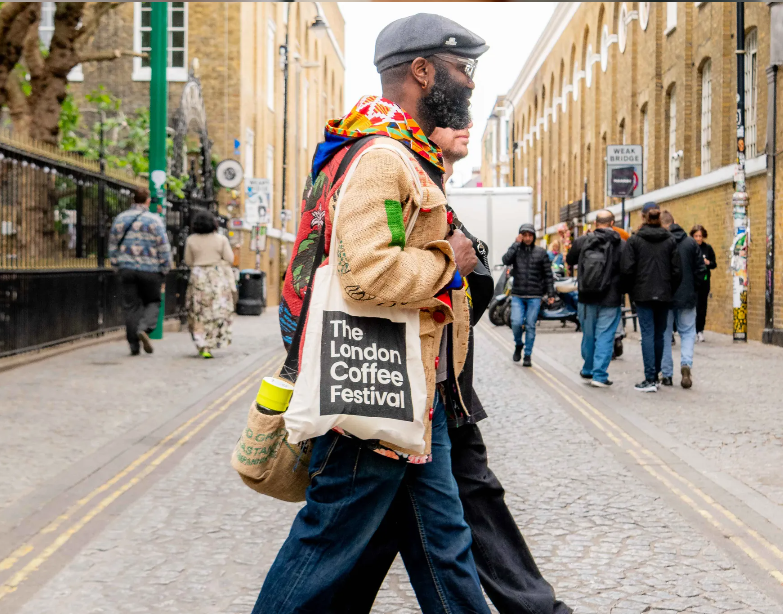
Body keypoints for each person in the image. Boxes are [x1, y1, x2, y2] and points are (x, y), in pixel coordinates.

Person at [256, 14, 492, 613]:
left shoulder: (396, 152)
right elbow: (367, 273)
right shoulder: (384, 158)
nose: (468, 85)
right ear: (422, 69)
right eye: (461, 69)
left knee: (446, 551)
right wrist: (450, 264)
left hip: (413, 394)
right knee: (323, 547)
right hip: (373, 386)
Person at [331, 126, 573, 614]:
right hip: (399, 388)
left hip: (440, 391)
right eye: (451, 114)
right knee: (351, 537)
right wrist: (452, 267)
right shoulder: (390, 171)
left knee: (430, 521)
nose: (464, 122)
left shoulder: (431, 189)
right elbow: (373, 275)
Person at [620, 202, 682, 392]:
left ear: (644, 218)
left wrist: (632, 291)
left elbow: (627, 270)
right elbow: (677, 271)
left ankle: (650, 378)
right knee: (660, 334)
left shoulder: (635, 240)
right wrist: (670, 289)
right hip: (664, 294)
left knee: (647, 333)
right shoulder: (670, 240)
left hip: (643, 295)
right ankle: (655, 376)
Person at [108, 186, 171, 356]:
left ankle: (133, 346)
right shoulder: (154, 220)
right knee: (153, 301)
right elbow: (163, 247)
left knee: (131, 307)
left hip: (127, 269)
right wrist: (165, 268)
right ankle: (144, 328)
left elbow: (112, 245)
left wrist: (116, 266)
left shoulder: (120, 219)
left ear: (133, 199)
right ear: (147, 200)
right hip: (150, 270)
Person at [566, 210, 624, 388]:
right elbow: (627, 269)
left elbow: (570, 259)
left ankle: (588, 369)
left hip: (586, 296)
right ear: (612, 223)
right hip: (611, 297)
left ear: (595, 223)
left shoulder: (583, 241)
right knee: (605, 336)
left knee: (589, 335)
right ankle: (599, 375)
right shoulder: (620, 243)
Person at [660, 211, 706, 388]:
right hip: (687, 296)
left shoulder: (663, 243)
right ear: (675, 222)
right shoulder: (690, 243)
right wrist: (694, 288)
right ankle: (686, 364)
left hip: (665, 296)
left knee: (665, 334)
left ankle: (667, 374)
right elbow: (701, 270)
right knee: (687, 333)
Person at [184, 210, 236, 359]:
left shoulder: (191, 240)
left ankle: (202, 344)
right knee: (216, 311)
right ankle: (211, 341)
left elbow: (188, 261)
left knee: (198, 312)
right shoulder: (221, 240)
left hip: (198, 277)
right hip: (216, 278)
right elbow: (230, 258)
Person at [502, 224, 555, 366]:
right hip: (518, 295)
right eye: (524, 235)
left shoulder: (541, 252)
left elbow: (548, 275)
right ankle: (518, 344)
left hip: (535, 296)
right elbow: (505, 260)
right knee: (516, 323)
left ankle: (527, 355)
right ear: (520, 236)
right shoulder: (516, 250)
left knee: (531, 325)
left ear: (533, 237)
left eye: (530, 235)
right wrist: (515, 244)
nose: (527, 238)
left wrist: (551, 293)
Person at [690, 224, 717, 342]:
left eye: (700, 236)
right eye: (696, 236)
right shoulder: (690, 248)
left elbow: (714, 264)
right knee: (693, 306)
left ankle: (700, 330)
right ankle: (692, 330)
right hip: (692, 281)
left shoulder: (708, 248)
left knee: (702, 307)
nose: (698, 238)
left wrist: (708, 262)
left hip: (704, 282)